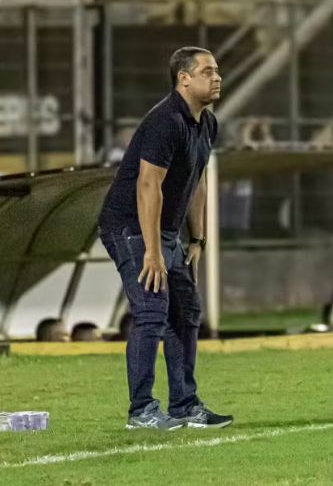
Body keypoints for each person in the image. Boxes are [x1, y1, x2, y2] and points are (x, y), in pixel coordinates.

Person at [98, 46, 232, 430]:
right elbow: (147, 185)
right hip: (130, 226)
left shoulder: (206, 122)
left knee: (186, 311)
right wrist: (153, 251)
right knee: (152, 311)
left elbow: (197, 180)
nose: (217, 77)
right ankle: (141, 411)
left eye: (217, 70)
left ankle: (184, 406)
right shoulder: (165, 121)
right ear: (184, 78)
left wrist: (198, 238)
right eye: (207, 71)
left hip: (167, 232)